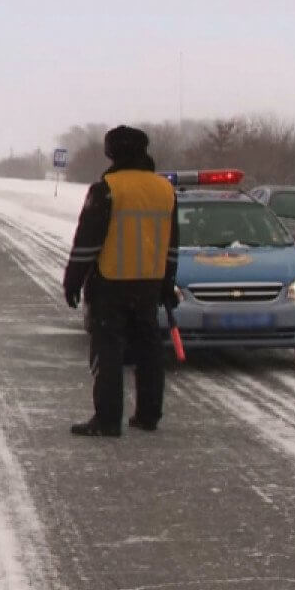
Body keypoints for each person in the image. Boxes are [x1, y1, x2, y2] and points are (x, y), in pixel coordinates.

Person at [62, 125, 179, 437]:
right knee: (150, 352)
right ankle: (148, 415)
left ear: (111, 152)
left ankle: (107, 420)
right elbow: (172, 244)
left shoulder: (107, 188)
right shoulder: (164, 189)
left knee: (108, 352)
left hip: (110, 282)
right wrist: (168, 283)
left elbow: (87, 241)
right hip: (149, 284)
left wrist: (73, 279)